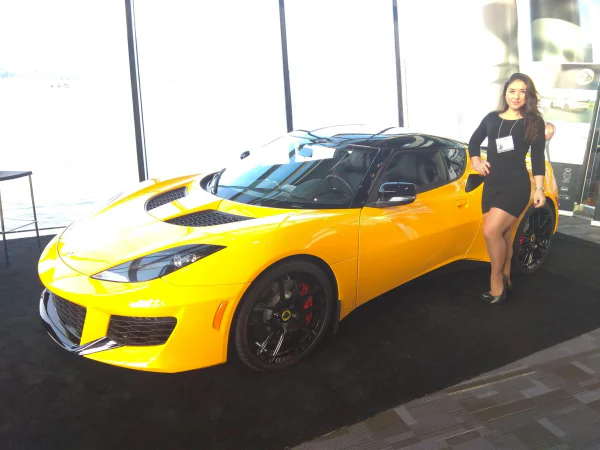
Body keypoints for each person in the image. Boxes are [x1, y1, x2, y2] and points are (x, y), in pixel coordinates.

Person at [468, 73, 546, 304]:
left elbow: (538, 158)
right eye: (512, 91)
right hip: (491, 184)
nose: (516, 96)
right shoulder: (492, 118)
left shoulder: (533, 122)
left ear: (528, 95)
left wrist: (539, 189)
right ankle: (507, 277)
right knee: (502, 234)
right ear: (505, 93)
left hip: (516, 185)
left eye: (522, 91)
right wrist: (476, 161)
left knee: (490, 232)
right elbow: (474, 142)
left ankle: (497, 284)